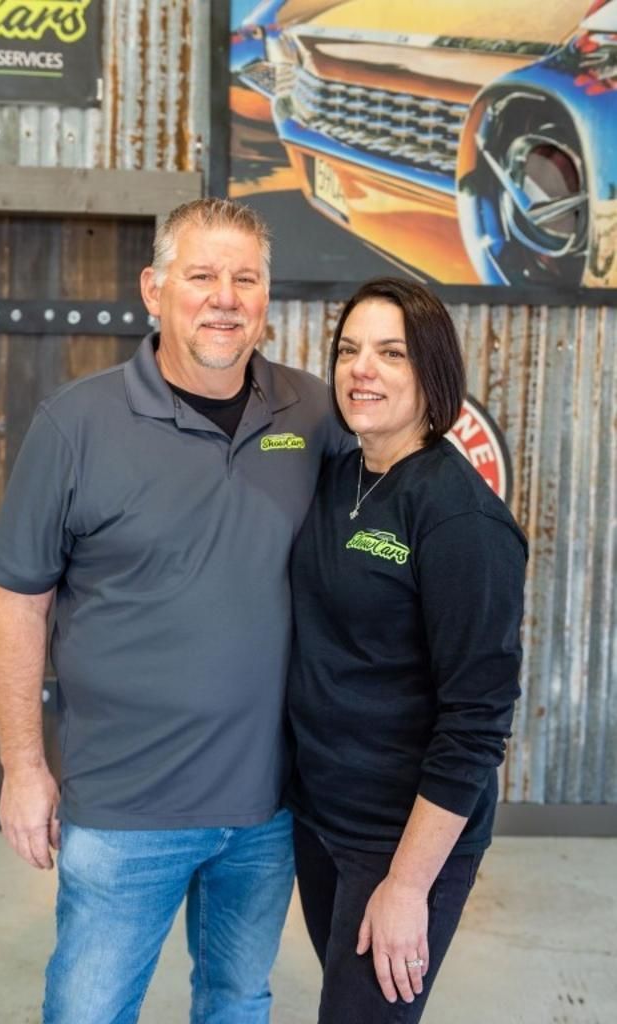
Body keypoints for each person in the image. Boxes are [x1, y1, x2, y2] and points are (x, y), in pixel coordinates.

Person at [0, 197, 351, 1024]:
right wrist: (23, 766)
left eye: (245, 278)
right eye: (202, 276)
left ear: (266, 295)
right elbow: (17, 604)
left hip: (268, 808)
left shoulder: (316, 413)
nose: (225, 297)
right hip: (124, 811)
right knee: (88, 1011)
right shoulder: (75, 424)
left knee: (237, 1001)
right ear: (155, 289)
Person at [286, 278, 527, 1023]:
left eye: (391, 353)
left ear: (431, 374)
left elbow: (476, 722)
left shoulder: (459, 518)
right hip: (322, 818)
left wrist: (408, 885)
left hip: (400, 839)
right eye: (350, 349)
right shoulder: (337, 476)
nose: (364, 368)